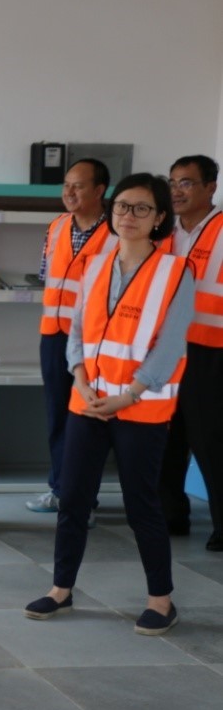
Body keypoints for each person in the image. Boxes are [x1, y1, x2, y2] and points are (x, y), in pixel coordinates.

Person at [25, 173, 194, 634]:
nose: (128, 216)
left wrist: (129, 394)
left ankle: (161, 600)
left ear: (160, 218)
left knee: (142, 504)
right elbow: (78, 330)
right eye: (122, 206)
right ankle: (60, 589)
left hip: (140, 407)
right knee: (73, 498)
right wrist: (80, 379)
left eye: (141, 208)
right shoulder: (97, 264)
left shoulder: (175, 271)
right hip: (89, 402)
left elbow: (169, 346)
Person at [27, 159, 118, 516]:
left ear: (99, 190)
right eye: (66, 185)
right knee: (57, 416)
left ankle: (82, 499)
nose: (69, 192)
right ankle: (60, 489)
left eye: (78, 186)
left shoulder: (117, 233)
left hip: (94, 342)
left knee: (87, 421)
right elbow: (47, 276)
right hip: (53, 336)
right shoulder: (57, 226)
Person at [154, 156, 223, 552]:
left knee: (210, 439)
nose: (176, 191)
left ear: (211, 187)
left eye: (186, 183)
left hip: (211, 350)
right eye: (172, 183)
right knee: (167, 434)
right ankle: (170, 514)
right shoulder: (166, 232)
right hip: (168, 347)